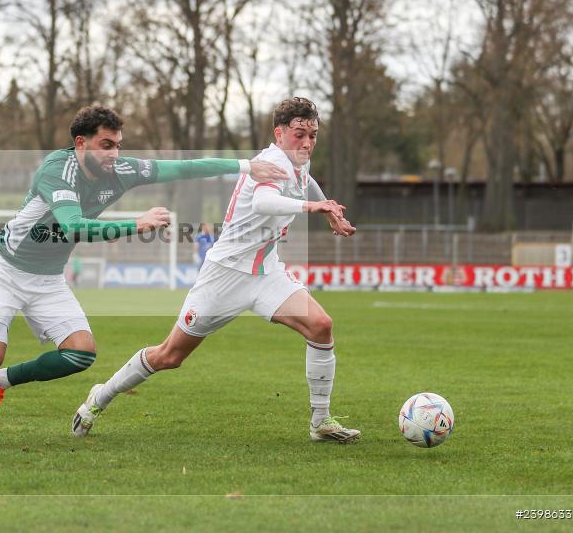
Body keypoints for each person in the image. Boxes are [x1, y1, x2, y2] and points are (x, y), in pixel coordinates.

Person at [0, 105, 289, 447]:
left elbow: (182, 167)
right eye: (105, 145)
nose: (113, 153)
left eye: (117, 145)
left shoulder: (121, 169)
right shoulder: (56, 171)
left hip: (47, 277)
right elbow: (74, 226)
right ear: (81, 143)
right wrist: (137, 223)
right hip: (6, 270)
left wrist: (244, 166)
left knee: (80, 354)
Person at [71, 97, 362, 443]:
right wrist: (313, 206)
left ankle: (320, 422)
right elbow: (263, 202)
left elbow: (306, 180)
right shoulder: (270, 162)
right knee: (169, 356)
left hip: (266, 272)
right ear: (279, 133)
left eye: (313, 135)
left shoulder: (297, 162)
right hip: (224, 276)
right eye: (300, 134)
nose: (308, 143)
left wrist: (328, 207)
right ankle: (99, 398)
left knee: (321, 325)